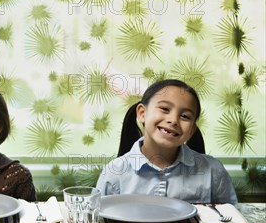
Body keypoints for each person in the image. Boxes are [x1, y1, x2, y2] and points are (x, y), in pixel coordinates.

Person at [96, 79, 237, 204]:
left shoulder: (213, 171)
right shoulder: (114, 173)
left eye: (185, 116)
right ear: (142, 113)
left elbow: (232, 221)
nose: (173, 120)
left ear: (192, 130)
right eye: (164, 109)